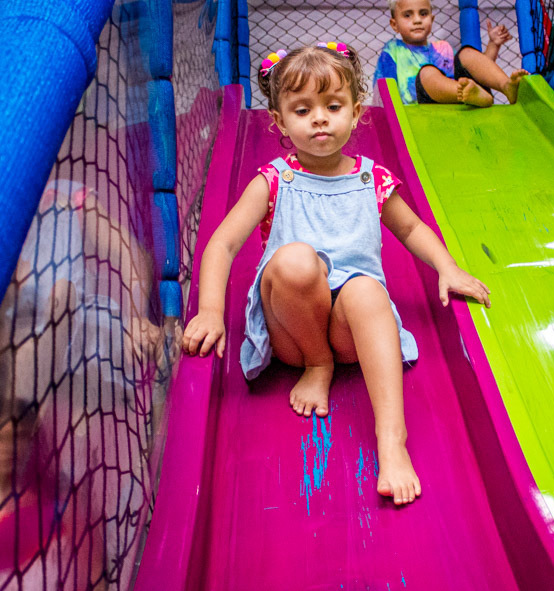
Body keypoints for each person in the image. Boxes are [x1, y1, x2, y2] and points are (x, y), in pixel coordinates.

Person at [181, 44, 491, 505]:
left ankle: (392, 439)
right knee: (295, 260)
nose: (320, 119)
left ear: (356, 111)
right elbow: (222, 244)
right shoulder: (274, 179)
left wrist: (447, 267)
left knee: (367, 289)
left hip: (352, 329)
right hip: (292, 327)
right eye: (303, 110)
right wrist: (210, 310)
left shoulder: (373, 178)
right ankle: (316, 363)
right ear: (281, 122)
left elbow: (411, 228)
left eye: (333, 106)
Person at [374, 0, 528, 106]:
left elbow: (476, 73)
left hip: (465, 99)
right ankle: (466, 95)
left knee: (467, 53)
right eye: (408, 15)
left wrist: (493, 44)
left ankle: (506, 85)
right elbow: (383, 91)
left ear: (432, 19)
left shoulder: (443, 49)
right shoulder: (393, 50)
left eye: (423, 14)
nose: (417, 20)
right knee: (427, 73)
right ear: (394, 24)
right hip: (423, 109)